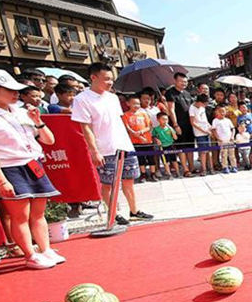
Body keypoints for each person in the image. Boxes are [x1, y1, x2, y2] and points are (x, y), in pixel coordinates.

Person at [0, 69, 63, 269]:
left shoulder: (20, 111)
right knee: (20, 216)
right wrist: (1, 180)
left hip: (33, 163)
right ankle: (30, 254)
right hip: (10, 168)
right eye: (9, 90)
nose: (15, 94)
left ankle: (45, 249)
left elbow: (49, 140)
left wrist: (38, 122)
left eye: (16, 89)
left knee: (39, 213)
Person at [71, 62, 152, 226]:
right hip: (104, 148)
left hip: (124, 145)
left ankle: (134, 211)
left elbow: (118, 121)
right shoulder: (82, 99)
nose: (110, 83)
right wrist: (94, 151)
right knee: (108, 183)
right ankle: (113, 213)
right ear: (94, 77)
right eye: (106, 79)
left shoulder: (113, 97)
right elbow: (85, 127)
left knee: (128, 180)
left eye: (112, 80)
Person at [164, 72, 195, 176]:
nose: (184, 83)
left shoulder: (187, 93)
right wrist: (175, 125)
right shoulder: (170, 93)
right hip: (179, 125)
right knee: (181, 148)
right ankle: (185, 169)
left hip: (189, 125)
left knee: (190, 147)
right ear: (175, 81)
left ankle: (192, 167)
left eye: (185, 81)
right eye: (181, 81)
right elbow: (171, 110)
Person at [122, 95, 158, 183]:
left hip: (147, 140)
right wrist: (137, 135)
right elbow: (127, 128)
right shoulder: (125, 115)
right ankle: (143, 174)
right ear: (128, 104)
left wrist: (141, 132)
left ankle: (153, 173)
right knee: (140, 158)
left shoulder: (144, 114)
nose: (136, 105)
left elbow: (149, 126)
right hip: (135, 141)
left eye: (138, 103)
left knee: (151, 157)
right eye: (134, 103)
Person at [189, 94, 216, 175]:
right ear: (200, 102)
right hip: (199, 133)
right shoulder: (192, 108)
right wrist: (204, 130)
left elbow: (205, 120)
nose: (206, 105)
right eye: (205, 103)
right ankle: (204, 169)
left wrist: (210, 127)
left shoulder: (202, 108)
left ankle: (211, 168)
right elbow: (193, 123)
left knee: (209, 151)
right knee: (203, 152)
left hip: (207, 130)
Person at [152, 112, 180, 178]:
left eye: (166, 119)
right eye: (163, 119)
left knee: (174, 160)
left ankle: (177, 172)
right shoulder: (156, 129)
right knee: (165, 161)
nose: (165, 121)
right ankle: (168, 173)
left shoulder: (169, 128)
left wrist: (171, 130)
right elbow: (154, 136)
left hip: (171, 145)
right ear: (158, 120)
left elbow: (175, 137)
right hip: (162, 147)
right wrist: (157, 140)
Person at [211, 105, 237, 174]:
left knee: (232, 154)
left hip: (230, 140)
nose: (222, 113)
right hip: (222, 140)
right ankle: (225, 167)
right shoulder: (215, 121)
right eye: (220, 111)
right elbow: (214, 130)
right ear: (217, 112)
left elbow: (233, 129)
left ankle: (233, 166)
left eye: (223, 111)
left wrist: (232, 136)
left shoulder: (228, 120)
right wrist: (218, 138)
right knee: (223, 154)